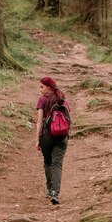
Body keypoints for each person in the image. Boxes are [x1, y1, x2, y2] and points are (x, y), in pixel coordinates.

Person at [35, 76, 69, 205]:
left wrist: (37, 140)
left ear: (48, 87)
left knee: (48, 162)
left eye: (42, 86)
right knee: (57, 164)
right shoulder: (62, 99)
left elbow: (39, 122)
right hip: (62, 137)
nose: (40, 89)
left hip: (47, 137)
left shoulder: (42, 100)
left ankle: (50, 190)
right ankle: (55, 192)